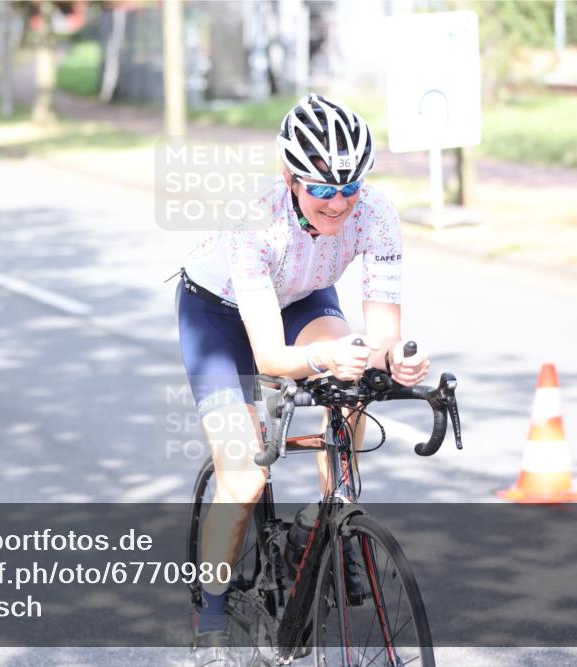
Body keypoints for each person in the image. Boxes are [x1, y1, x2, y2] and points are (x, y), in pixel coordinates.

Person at [175, 93, 430, 666]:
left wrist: (396, 360)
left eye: (349, 188)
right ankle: (211, 613)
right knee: (243, 478)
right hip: (218, 312)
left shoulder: (377, 214)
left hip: (301, 295)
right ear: (290, 178)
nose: (338, 204)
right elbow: (269, 357)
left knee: (356, 381)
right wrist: (329, 357)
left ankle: (322, 525)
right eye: (321, 190)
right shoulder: (256, 222)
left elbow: (383, 334)